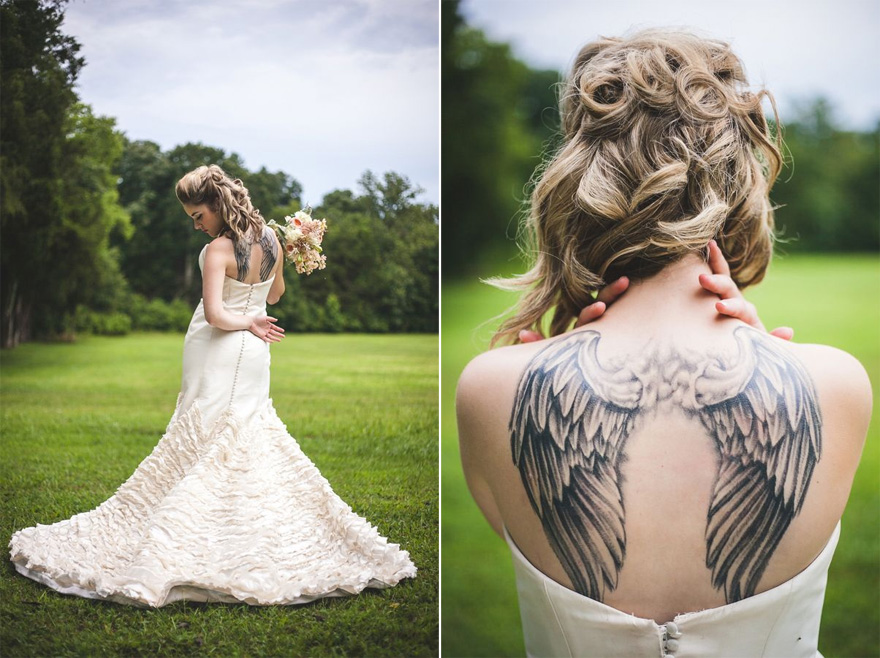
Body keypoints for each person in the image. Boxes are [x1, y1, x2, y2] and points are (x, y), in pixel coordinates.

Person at [456, 30, 871, 657]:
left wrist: (528, 367)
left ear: (579, 179)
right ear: (738, 182)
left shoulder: (492, 390)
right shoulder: (836, 385)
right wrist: (770, 359)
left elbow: (532, 530)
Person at [9, 164, 416, 607]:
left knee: (210, 432)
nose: (196, 224)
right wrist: (258, 309)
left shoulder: (216, 251)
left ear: (218, 205)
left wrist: (248, 319)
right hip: (256, 348)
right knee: (240, 434)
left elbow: (218, 315)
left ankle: (200, 528)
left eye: (197, 215)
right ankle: (232, 521)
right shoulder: (272, 239)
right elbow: (275, 295)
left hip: (221, 346)